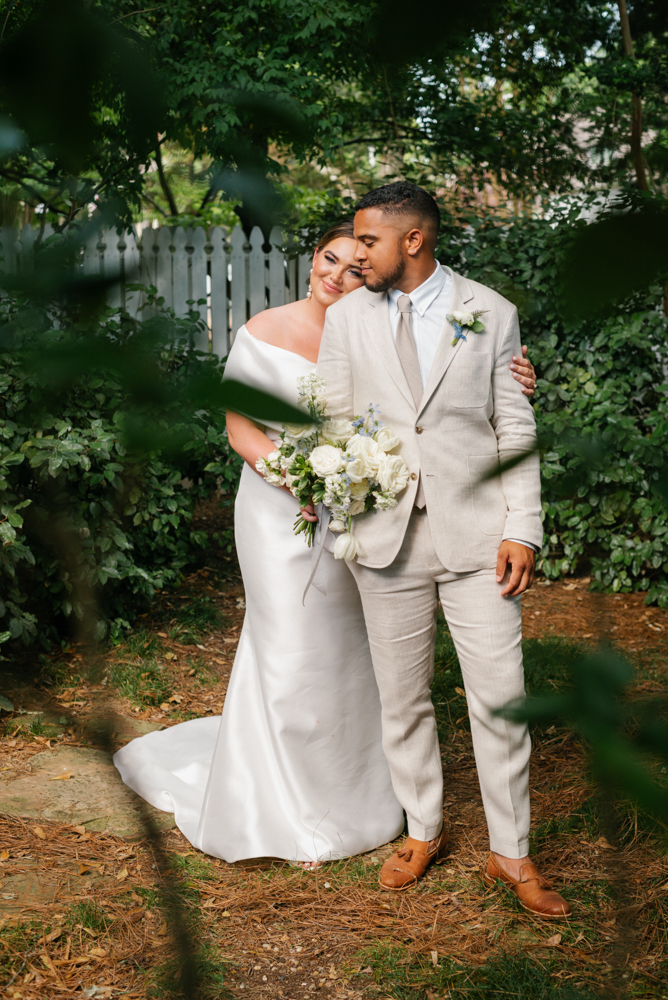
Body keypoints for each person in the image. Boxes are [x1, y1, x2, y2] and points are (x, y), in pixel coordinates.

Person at [113, 219, 538, 867]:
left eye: (353, 264)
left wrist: (513, 378)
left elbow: (429, 397)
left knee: (354, 656)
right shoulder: (264, 332)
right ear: (312, 260)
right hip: (279, 510)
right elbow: (240, 425)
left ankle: (359, 794)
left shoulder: (374, 321)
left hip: (366, 511)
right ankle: (277, 802)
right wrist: (297, 477)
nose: (337, 274)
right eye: (328, 260)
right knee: (286, 645)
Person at [317, 184, 570, 918]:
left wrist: (522, 527)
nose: (354, 255)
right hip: (383, 536)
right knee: (402, 699)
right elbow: (330, 420)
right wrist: (333, 490)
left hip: (477, 539)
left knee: (501, 699)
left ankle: (510, 852)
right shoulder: (347, 320)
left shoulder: (490, 312)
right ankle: (423, 828)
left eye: (368, 242)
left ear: (414, 241)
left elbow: (513, 429)